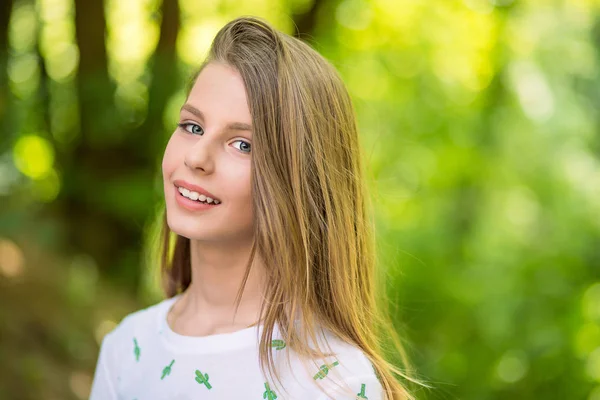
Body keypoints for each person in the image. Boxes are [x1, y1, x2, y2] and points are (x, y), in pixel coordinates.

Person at [89, 16, 426, 400]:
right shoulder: (126, 350)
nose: (197, 156)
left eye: (243, 144)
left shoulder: (334, 383)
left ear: (300, 184)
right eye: (192, 127)